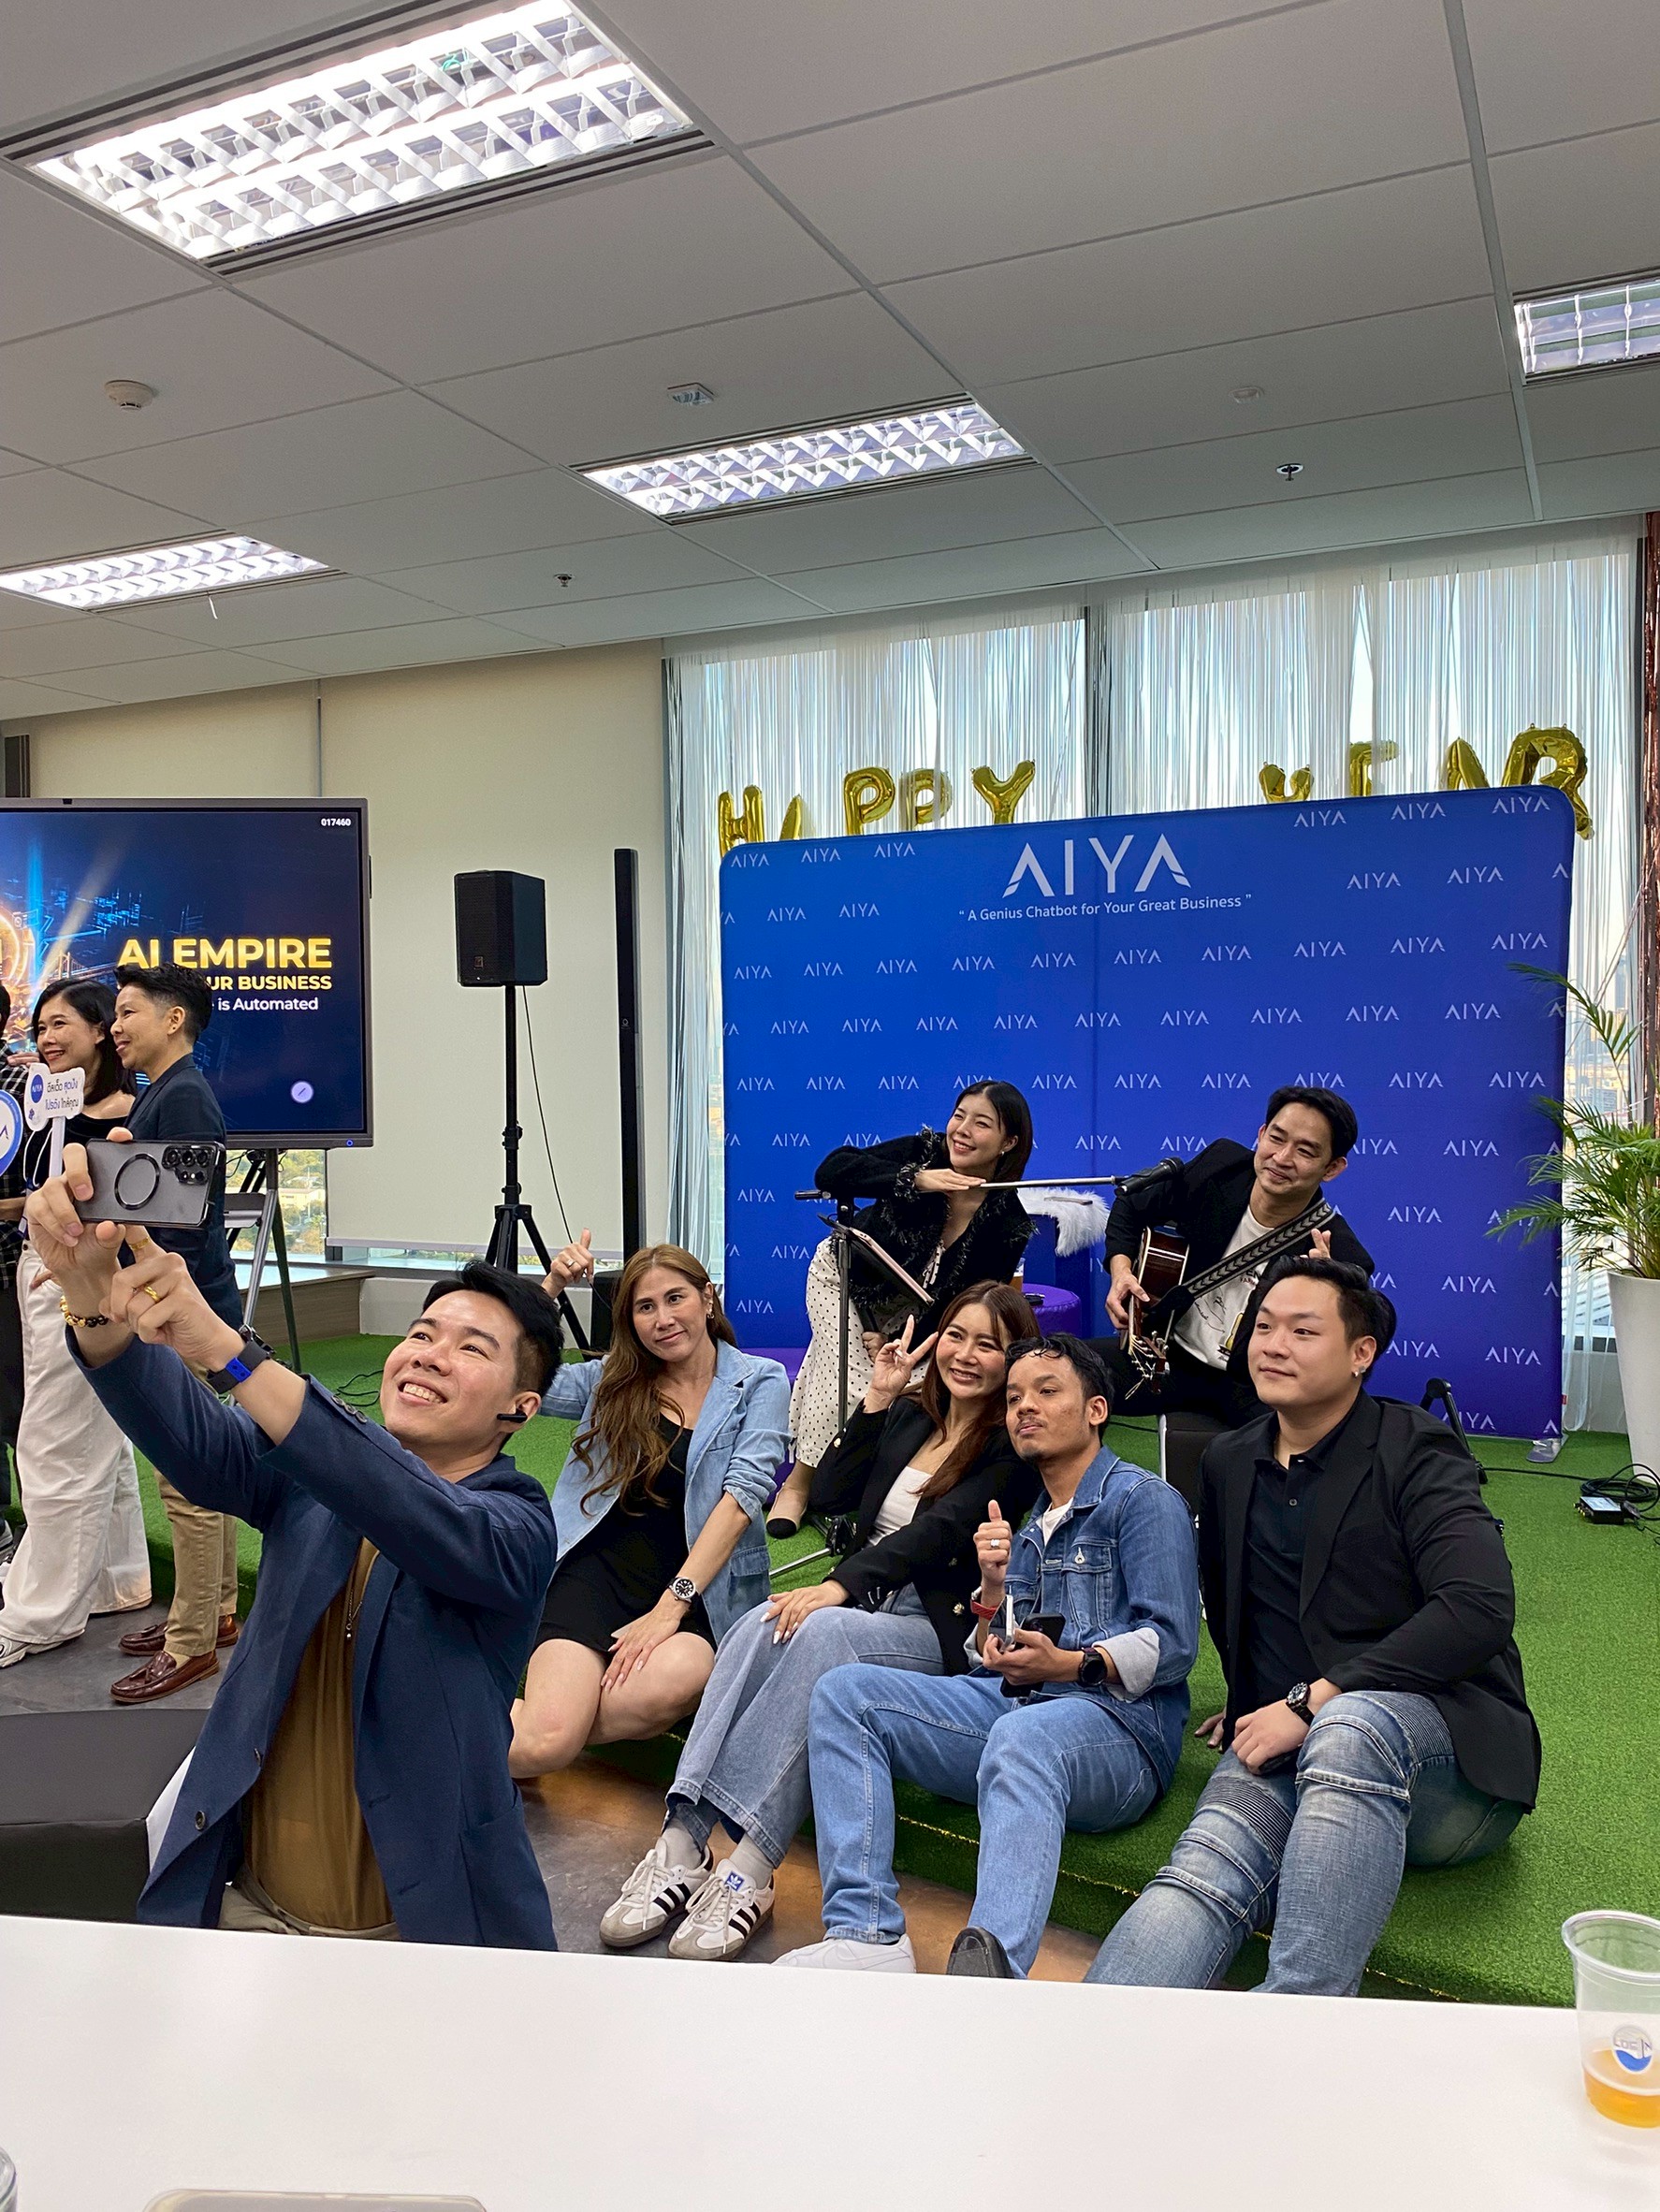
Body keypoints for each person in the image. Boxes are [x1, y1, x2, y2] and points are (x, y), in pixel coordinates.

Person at [25, 1147, 563, 1947]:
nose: (427, 1352)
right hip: (249, 1911)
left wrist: (229, 1350)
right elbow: (202, 1444)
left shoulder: (513, 1526)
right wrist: (93, 1300)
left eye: (471, 1348)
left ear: (520, 1408)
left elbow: (410, 1507)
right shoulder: (312, 1478)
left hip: (419, 1937)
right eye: (422, 1332)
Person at [1086, 1258, 1539, 1999]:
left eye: (1302, 1331)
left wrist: (1312, 1700)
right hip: (1293, 1746)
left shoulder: (1416, 1448)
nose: (1272, 1345)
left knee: (1352, 1726)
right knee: (1201, 1870)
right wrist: (1252, 1703)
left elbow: (1478, 1606)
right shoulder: (1229, 1460)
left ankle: (1305, 2022)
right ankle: (1092, 2042)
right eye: (1263, 1327)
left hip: (1444, 1765)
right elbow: (1236, 1602)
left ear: (1361, 1354)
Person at [599, 1282, 1042, 1961]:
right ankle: (682, 1840)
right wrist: (877, 1400)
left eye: (989, 1345)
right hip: (864, 1600)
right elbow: (829, 1493)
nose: (965, 1354)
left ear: (1014, 1359)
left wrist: (839, 1586)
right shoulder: (913, 1414)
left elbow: (939, 1533)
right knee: (756, 1626)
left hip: (934, 1624)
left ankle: (750, 1867)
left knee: (822, 1636)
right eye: (956, 1335)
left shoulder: (1011, 1450)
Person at [775, 1333, 1200, 1977]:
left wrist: (1071, 1664)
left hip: (1119, 1732)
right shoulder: (1027, 1527)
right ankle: (866, 1934)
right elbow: (990, 1655)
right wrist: (995, 1590)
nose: (1025, 1406)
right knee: (844, 1693)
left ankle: (992, 1976)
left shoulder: (1143, 1500)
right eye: (1015, 1397)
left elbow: (1171, 1644)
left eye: (1047, 1392)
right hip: (1021, 1709)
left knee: (1024, 1737)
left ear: (1096, 1410)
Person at [508, 1241, 789, 1780]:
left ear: (708, 1298)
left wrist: (669, 1607)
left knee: (678, 1679)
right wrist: (551, 1290)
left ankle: (513, 1717)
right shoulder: (611, 1380)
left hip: (703, 1592)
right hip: (596, 1577)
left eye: (675, 1298)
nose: (663, 1319)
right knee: (544, 1745)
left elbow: (739, 1502)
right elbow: (519, 1377)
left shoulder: (760, 1380)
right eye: (645, 1307)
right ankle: (515, 1731)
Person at [770, 1079, 1035, 1538]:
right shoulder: (923, 1151)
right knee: (848, 1371)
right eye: (959, 1116)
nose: (962, 1130)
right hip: (842, 1275)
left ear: (1008, 1142)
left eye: (981, 1123)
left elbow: (963, 1304)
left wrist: (897, 1340)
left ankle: (865, 1487)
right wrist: (916, 1180)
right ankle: (799, 1484)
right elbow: (832, 1169)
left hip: (913, 1313)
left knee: (913, 1384)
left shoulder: (1008, 1223)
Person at [105, 963, 242, 1703]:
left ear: (174, 1019)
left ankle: (190, 1644)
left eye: (128, 1012)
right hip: (184, 1306)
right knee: (202, 1466)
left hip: (182, 1311)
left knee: (187, 1478)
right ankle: (214, 1612)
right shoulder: (163, 1090)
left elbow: (177, 1222)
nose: (115, 1026)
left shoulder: (183, 1094)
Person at [0, 980, 147, 1668]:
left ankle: (38, 1614)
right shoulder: (44, 1105)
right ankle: (118, 1579)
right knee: (95, 1433)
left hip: (86, 1282)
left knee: (55, 1437)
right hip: (41, 1272)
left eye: (61, 1024)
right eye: (40, 1026)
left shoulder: (128, 1117)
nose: (47, 1038)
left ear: (99, 1031)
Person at [1091, 1084, 1372, 1428]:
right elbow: (1131, 1206)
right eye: (1277, 1138)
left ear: (1332, 1168)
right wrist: (1121, 1272)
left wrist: (1327, 1300)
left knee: (1304, 1437)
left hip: (1255, 1388)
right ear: (1262, 1134)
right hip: (1166, 1359)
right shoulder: (1220, 1169)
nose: (1282, 1158)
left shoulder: (1340, 1255)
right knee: (1059, 1371)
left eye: (1305, 1151)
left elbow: (1354, 1354)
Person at [0, 988, 30, 1569]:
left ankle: (39, 1537)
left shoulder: (25, 1089)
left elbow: (44, 1192)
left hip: (9, 1275)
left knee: (22, 1412)